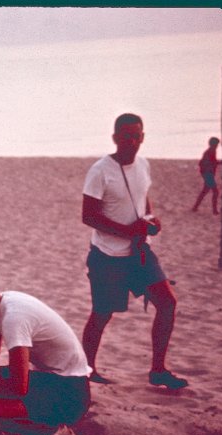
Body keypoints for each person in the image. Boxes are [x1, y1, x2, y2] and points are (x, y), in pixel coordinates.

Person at [80, 113, 188, 390]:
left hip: (139, 252)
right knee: (102, 314)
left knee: (167, 302)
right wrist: (130, 230)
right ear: (115, 138)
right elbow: (88, 217)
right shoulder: (100, 170)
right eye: (124, 135)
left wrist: (151, 218)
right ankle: (85, 371)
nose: (130, 140)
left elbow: (141, 196)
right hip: (107, 255)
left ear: (142, 137)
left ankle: (158, 370)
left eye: (135, 135)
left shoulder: (143, 165)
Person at [0, 273, 92, 432]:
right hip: (48, 379)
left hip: (70, 393)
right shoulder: (1, 303)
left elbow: (18, 386)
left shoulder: (14, 319)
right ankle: (6, 427)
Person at [191, 136, 221, 215]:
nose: (217, 146)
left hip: (207, 173)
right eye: (217, 144)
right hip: (208, 173)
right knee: (215, 192)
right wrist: (220, 163)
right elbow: (212, 162)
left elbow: (211, 161)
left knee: (205, 191)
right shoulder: (211, 151)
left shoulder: (210, 151)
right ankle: (214, 210)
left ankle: (195, 207)